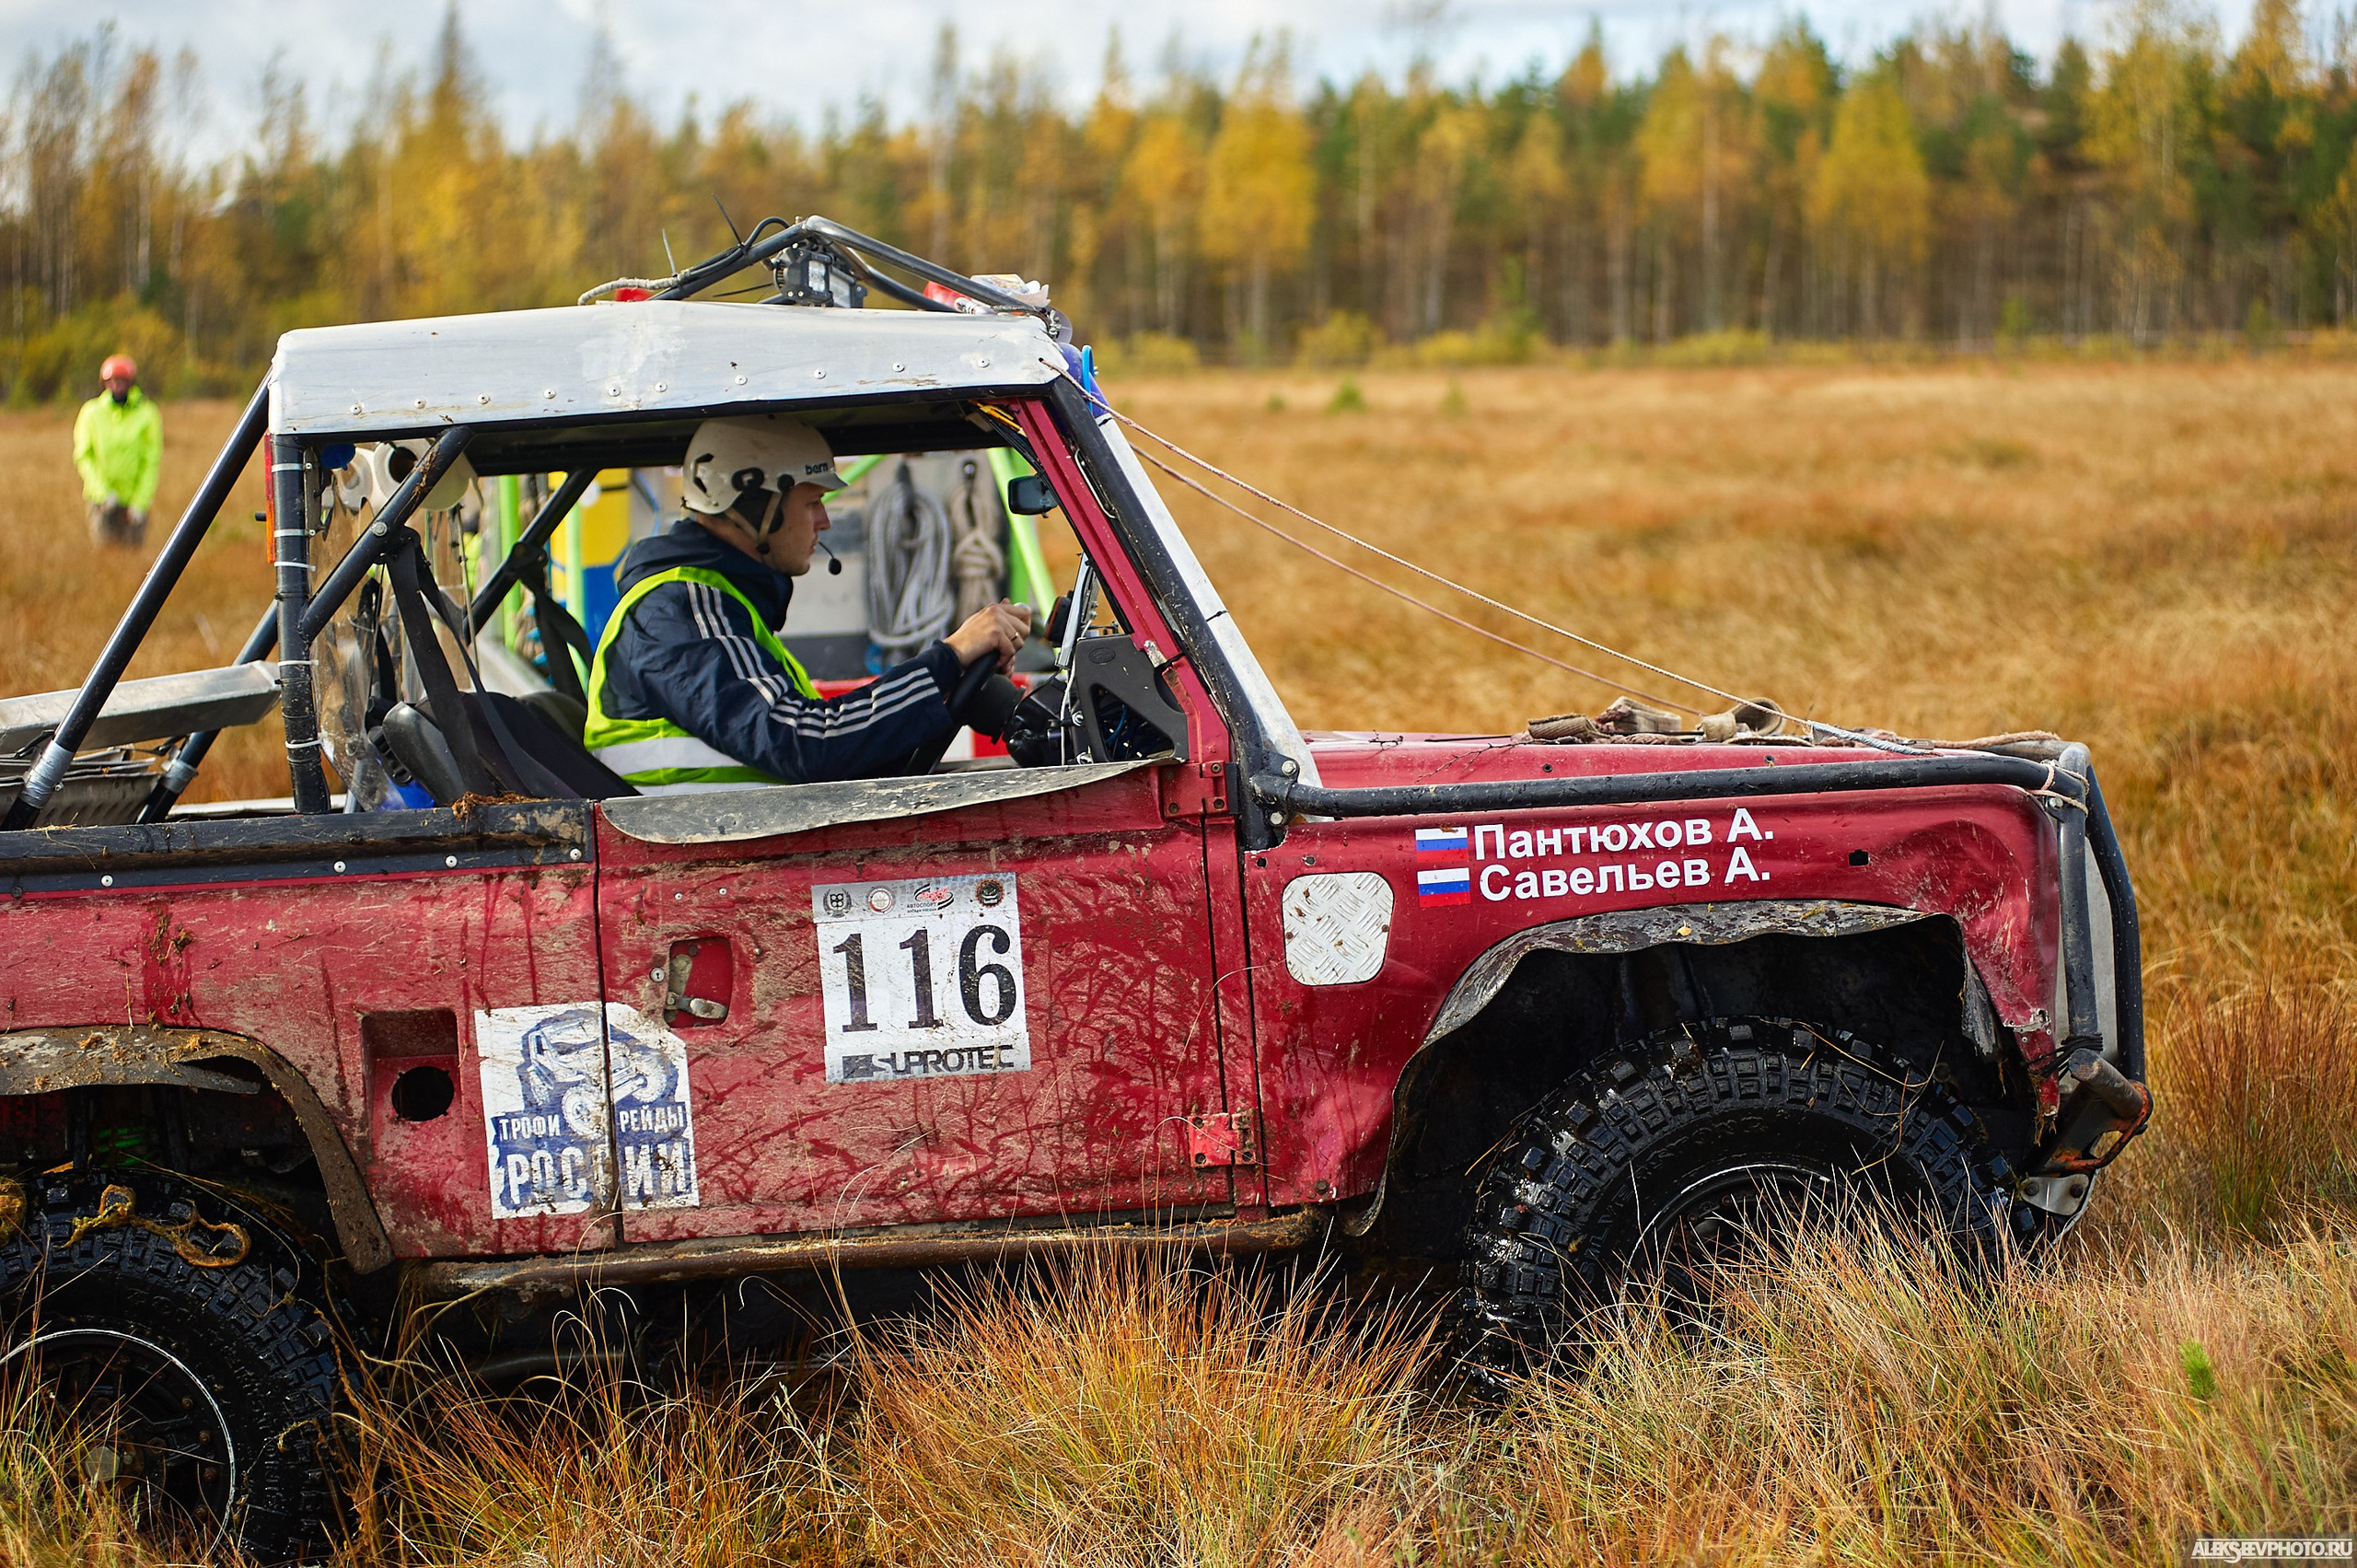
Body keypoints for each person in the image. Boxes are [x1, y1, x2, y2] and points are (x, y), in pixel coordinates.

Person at [583, 413, 1032, 792]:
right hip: (695, 875)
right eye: (813, 501)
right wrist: (949, 657)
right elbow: (809, 743)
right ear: (757, 502)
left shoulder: (720, 607)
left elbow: (818, 739)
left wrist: (948, 681)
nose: (825, 521)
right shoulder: (679, 609)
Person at [73, 354, 163, 548]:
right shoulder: (91, 412)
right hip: (102, 504)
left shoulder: (148, 413)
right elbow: (84, 457)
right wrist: (102, 493)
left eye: (122, 380)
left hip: (134, 506)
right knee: (105, 560)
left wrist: (140, 502)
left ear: (131, 382)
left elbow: (151, 461)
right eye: (111, 380)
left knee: (133, 564)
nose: (117, 385)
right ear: (103, 383)